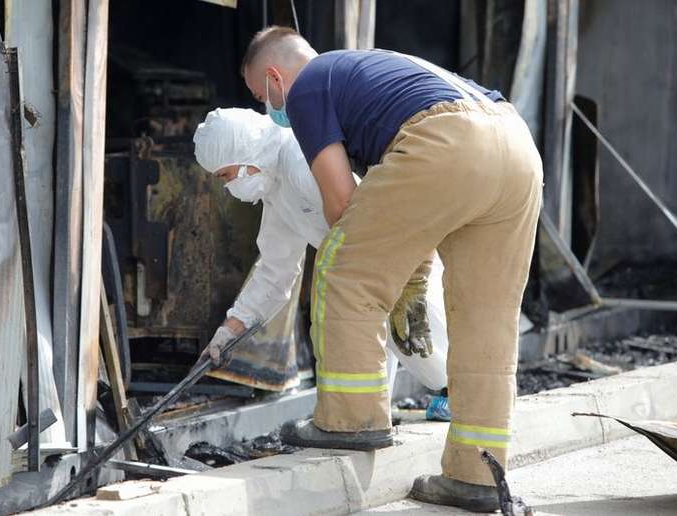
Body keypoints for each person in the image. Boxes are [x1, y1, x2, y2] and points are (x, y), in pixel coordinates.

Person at [239, 27, 543, 513]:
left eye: (261, 95)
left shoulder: (309, 86)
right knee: (486, 317)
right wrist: (411, 269)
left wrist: (394, 271)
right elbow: (405, 204)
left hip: (447, 140)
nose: (267, 108)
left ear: (275, 77)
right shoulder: (364, 67)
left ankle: (351, 419)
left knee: (344, 268)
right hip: (515, 146)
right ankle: (478, 476)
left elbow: (343, 206)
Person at [193, 107, 450, 416]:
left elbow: (367, 219)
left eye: (226, 174)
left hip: (396, 264)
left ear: (243, 151)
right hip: (368, 280)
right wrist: (231, 329)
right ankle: (366, 419)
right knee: (394, 357)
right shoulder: (276, 185)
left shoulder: (301, 162)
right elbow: (275, 270)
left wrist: (386, 280)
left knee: (433, 354)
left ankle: (463, 398)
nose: (227, 186)